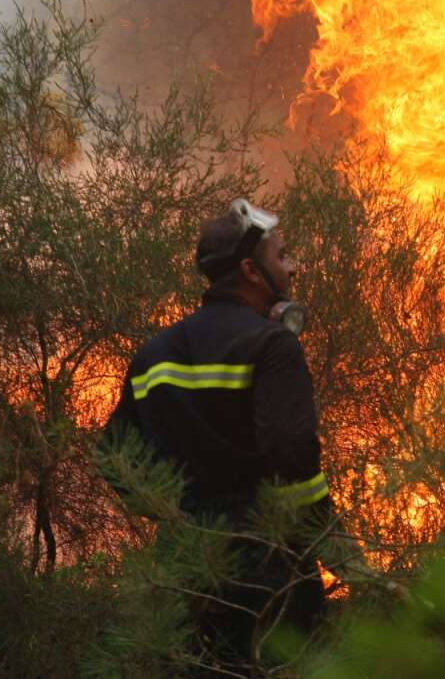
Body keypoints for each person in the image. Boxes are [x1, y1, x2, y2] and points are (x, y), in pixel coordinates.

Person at [105, 198, 336, 667]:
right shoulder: (272, 345)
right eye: (282, 256)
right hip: (269, 573)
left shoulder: (153, 355)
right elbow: (291, 453)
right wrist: (330, 543)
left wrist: (171, 510)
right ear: (252, 271)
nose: (292, 268)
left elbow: (112, 455)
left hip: (181, 572)